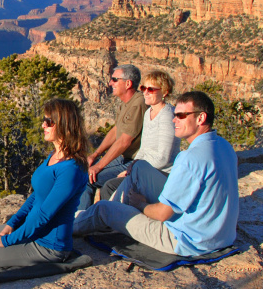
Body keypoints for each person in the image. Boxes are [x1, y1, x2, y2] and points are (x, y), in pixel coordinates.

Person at [73, 91, 239, 256]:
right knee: (140, 167)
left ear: (201, 118)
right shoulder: (223, 146)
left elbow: (162, 214)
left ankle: (72, 225)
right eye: (174, 115)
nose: (174, 120)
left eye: (181, 115)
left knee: (103, 209)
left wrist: (140, 205)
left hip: (186, 240)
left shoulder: (190, 158)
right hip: (221, 236)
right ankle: (114, 213)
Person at [0, 99, 89, 269]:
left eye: (49, 122)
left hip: (48, 245)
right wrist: (12, 223)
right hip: (31, 229)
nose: (43, 126)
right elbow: (36, 196)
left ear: (65, 124)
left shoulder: (71, 170)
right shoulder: (54, 156)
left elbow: (44, 215)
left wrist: (7, 241)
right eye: (44, 121)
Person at [100, 70, 181, 201]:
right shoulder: (149, 112)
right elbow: (143, 149)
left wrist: (134, 170)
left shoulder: (167, 115)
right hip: (143, 169)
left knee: (110, 187)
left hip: (161, 174)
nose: (146, 92)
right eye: (143, 88)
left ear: (165, 92)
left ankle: (112, 219)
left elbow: (163, 158)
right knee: (111, 186)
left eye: (151, 89)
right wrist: (130, 169)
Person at [77, 64, 148, 211]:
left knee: (87, 179)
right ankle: (90, 218)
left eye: (115, 80)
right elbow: (116, 131)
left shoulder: (138, 103)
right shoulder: (126, 104)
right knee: (86, 171)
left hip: (135, 162)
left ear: (128, 83)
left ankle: (82, 222)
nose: (110, 83)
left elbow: (124, 141)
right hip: (124, 158)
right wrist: (95, 155)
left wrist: (99, 166)